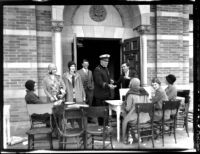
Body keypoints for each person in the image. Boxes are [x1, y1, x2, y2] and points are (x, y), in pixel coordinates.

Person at [121, 78, 149, 144]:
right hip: (145, 118)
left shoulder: (130, 94)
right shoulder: (144, 93)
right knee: (127, 117)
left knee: (124, 120)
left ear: (132, 84)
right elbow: (148, 104)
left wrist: (123, 105)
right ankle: (134, 136)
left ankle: (124, 138)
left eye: (130, 83)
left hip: (135, 118)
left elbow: (128, 109)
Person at [93, 54, 116, 126]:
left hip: (106, 95)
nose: (107, 63)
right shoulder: (97, 70)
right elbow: (99, 82)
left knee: (106, 111)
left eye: (108, 61)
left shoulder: (106, 69)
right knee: (100, 113)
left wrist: (110, 81)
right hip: (100, 96)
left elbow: (107, 79)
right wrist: (108, 85)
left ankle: (106, 126)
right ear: (101, 61)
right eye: (105, 61)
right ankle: (101, 127)